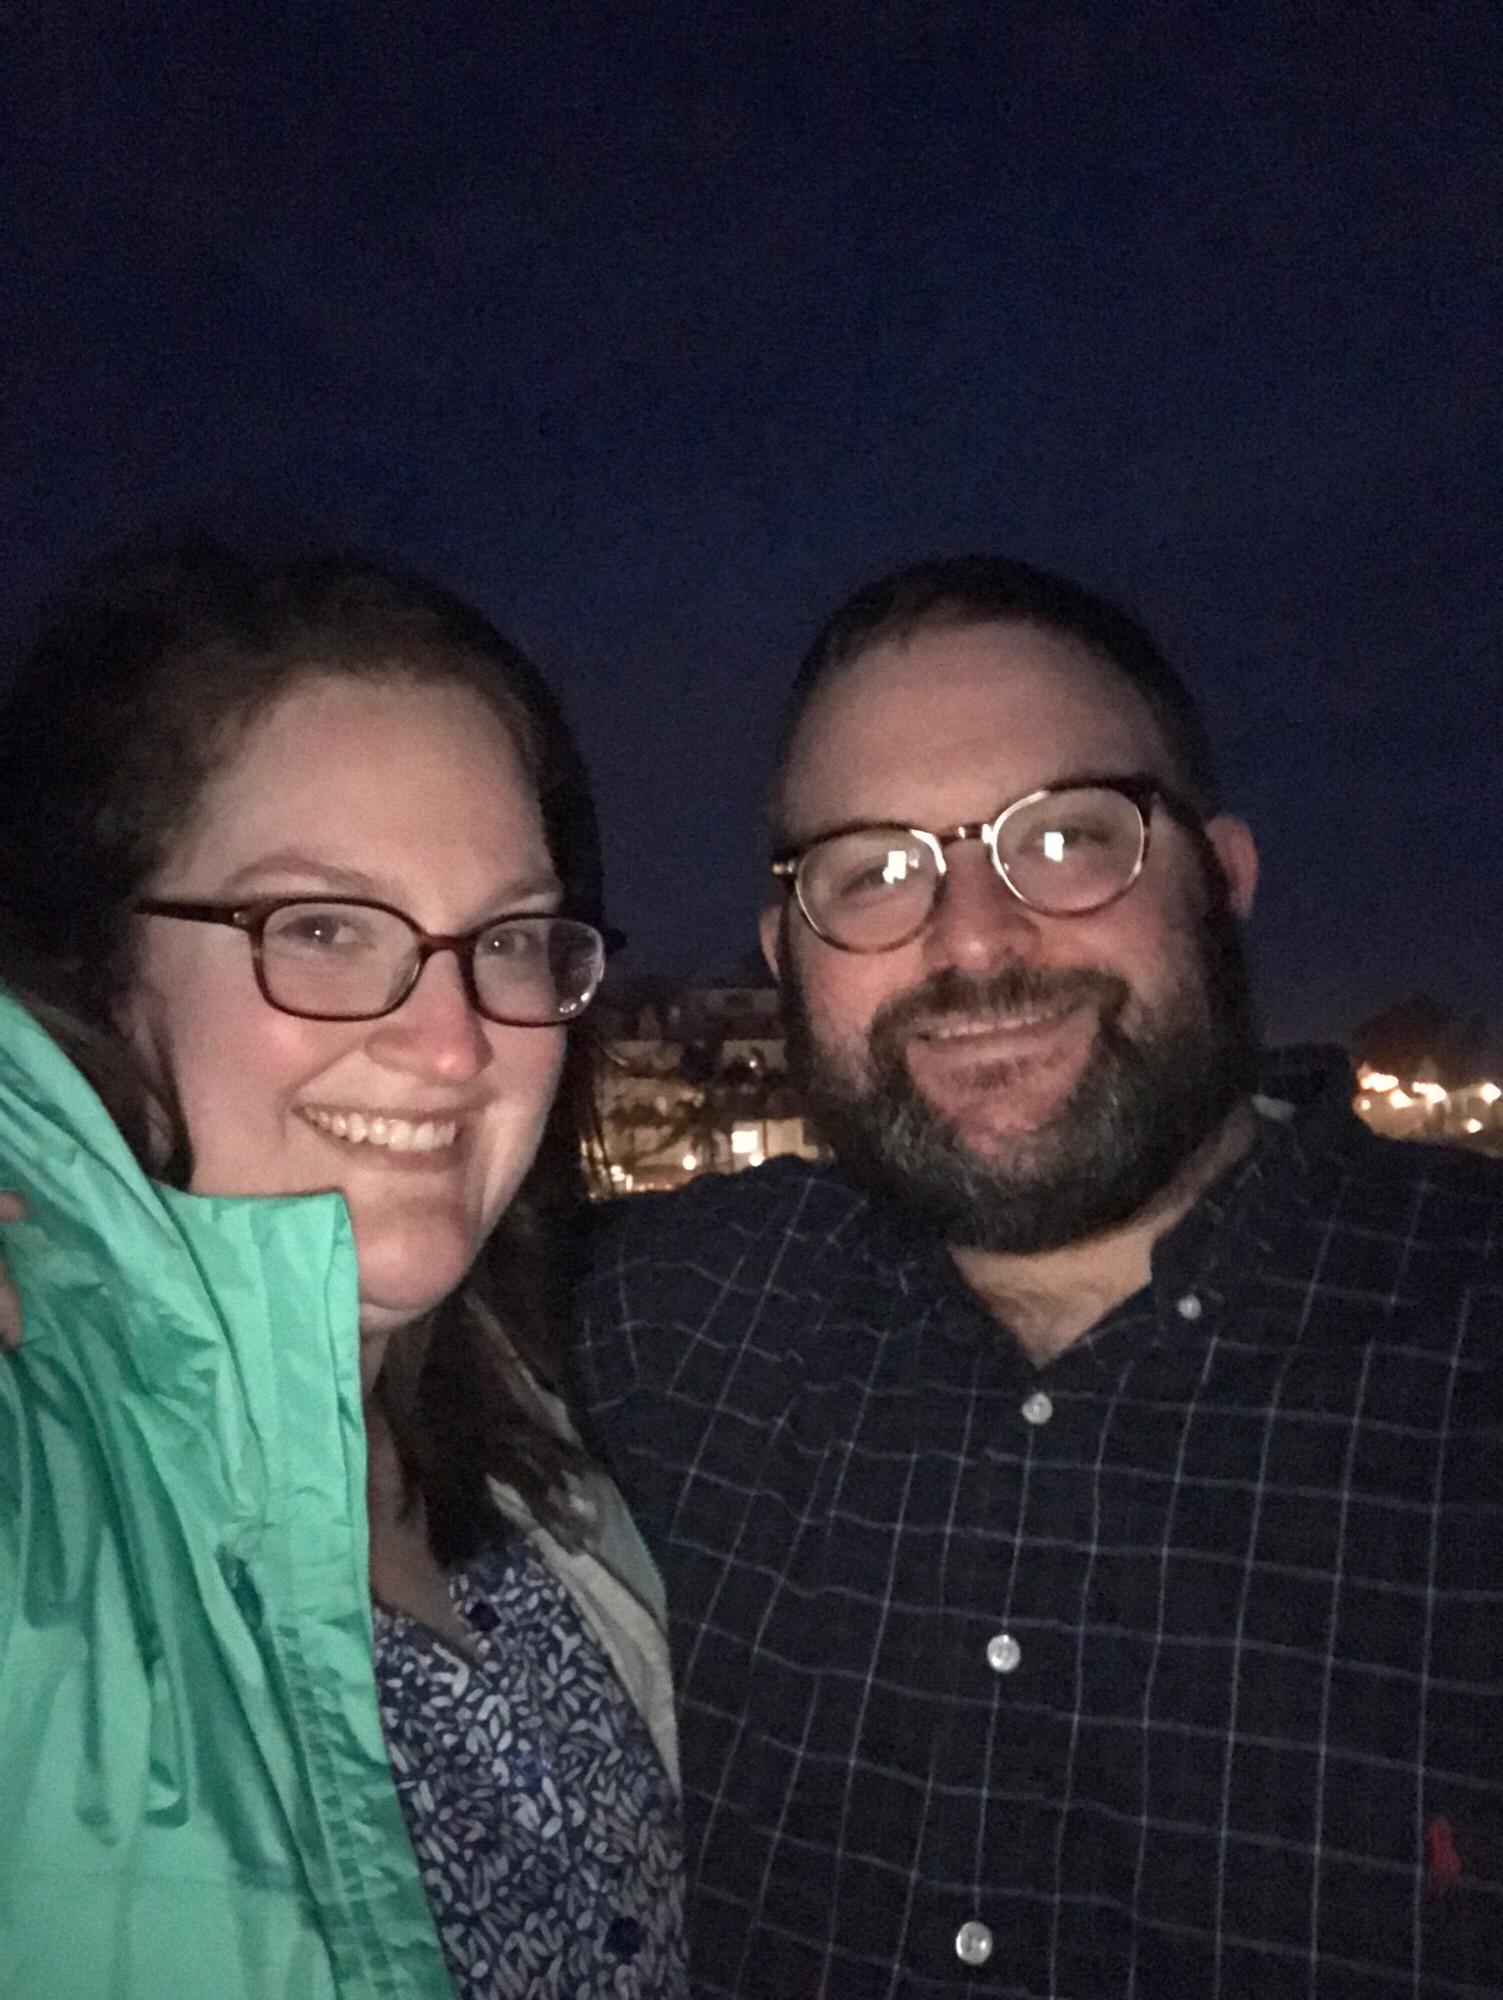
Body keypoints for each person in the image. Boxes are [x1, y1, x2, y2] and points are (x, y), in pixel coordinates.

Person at [572, 557, 1503, 1997]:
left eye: (1066, 841)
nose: (976, 942)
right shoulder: (671, 1319)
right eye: (875, 872)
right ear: (785, 954)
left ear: (1225, 876)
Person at [0, 544, 686, 1999]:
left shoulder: (541, 1428)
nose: (453, 1044)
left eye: (506, 938)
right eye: (319, 927)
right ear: (100, 967)